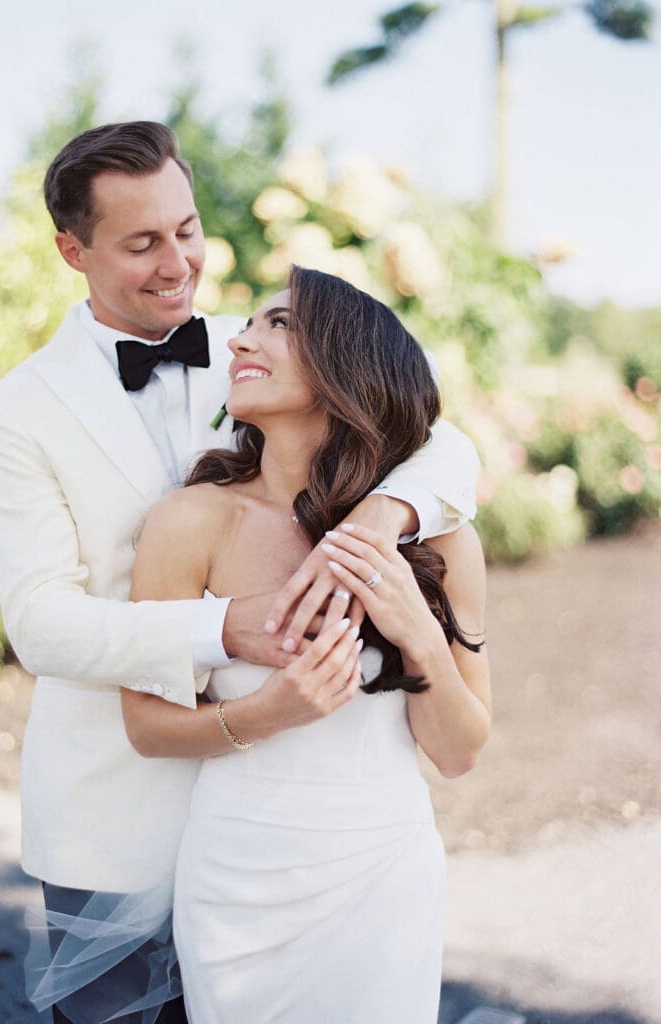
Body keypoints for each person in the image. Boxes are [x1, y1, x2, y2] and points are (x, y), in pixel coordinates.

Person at [0, 122, 480, 1023]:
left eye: (187, 229)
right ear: (72, 251)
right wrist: (221, 627)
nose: (179, 264)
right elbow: (39, 623)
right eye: (142, 243)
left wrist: (382, 515)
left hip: (310, 832)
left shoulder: (257, 351)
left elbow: (435, 438)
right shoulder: (19, 409)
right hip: (117, 809)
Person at [120, 267, 491, 1023]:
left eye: (280, 324)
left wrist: (417, 632)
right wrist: (271, 712)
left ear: (348, 365)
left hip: (382, 873)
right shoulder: (191, 521)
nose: (241, 340)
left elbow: (458, 754)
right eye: (248, 325)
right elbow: (148, 727)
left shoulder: (439, 540)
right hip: (236, 881)